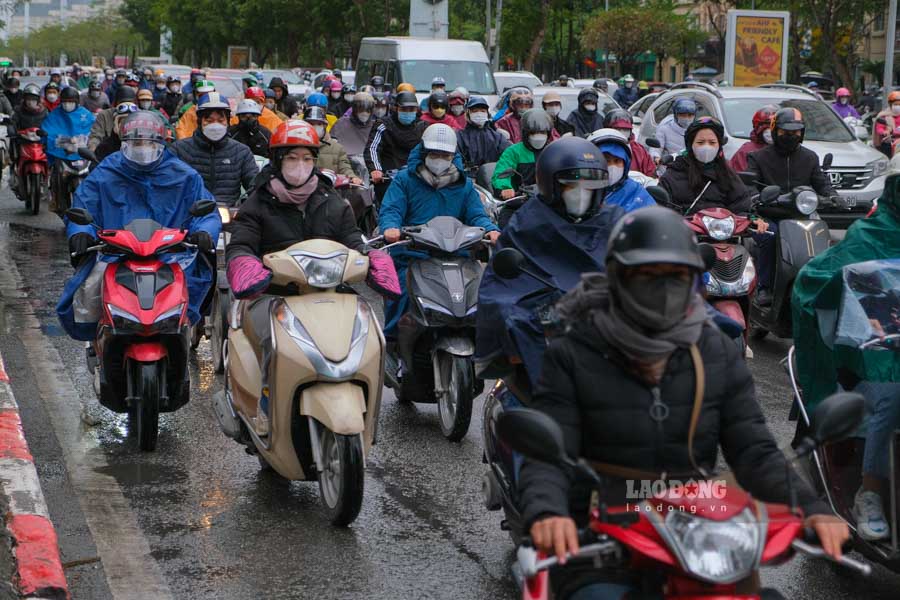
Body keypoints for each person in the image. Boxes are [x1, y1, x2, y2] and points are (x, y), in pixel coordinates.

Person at [519, 206, 849, 599]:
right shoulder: (574, 350)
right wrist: (548, 512)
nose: (662, 290)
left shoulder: (715, 349)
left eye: (676, 277)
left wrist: (813, 509)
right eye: (647, 276)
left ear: (693, 280)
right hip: (596, 530)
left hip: (694, 526)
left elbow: (754, 451)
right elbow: (549, 451)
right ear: (618, 278)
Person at [225, 120, 381, 435]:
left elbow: (353, 238)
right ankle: (266, 407)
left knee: (368, 331)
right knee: (273, 339)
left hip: (330, 291)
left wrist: (372, 259)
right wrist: (245, 264)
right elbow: (241, 243)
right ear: (278, 161)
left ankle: (370, 413)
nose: (300, 166)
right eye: (292, 158)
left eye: (307, 158)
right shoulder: (258, 202)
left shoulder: (331, 200)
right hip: (272, 293)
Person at [792, 172, 900, 542]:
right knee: (891, 395)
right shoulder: (869, 235)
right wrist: (846, 289)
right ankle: (869, 492)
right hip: (874, 358)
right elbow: (814, 278)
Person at [59, 110, 221, 345]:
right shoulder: (105, 173)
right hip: (115, 257)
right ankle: (98, 342)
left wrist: (205, 232)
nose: (142, 148)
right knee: (88, 298)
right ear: (123, 143)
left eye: (148, 143)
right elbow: (83, 208)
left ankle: (182, 341)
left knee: (192, 292)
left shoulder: (184, 175)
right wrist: (81, 233)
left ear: (162, 144)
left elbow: (207, 212)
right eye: (136, 143)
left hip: (171, 257)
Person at [476, 137, 623, 390]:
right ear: (550, 184)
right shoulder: (529, 220)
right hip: (548, 316)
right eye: (571, 186)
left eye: (589, 187)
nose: (581, 193)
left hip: (602, 316)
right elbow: (505, 282)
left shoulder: (614, 219)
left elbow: (636, 263)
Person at [379, 123, 500, 340]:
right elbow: (392, 209)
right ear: (424, 151)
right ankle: (394, 345)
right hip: (413, 255)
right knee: (402, 293)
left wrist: (490, 230)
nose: (439, 158)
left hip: (457, 255)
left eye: (445, 155)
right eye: (434, 153)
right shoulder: (405, 179)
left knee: (482, 296)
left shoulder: (464, 185)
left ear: (453, 156)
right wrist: (391, 228)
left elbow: (477, 215)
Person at [747, 108, 838, 305]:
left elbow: (822, 183)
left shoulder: (810, 157)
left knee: (823, 237)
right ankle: (765, 286)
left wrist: (832, 196)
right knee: (770, 236)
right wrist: (758, 197)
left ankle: (820, 283)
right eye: (785, 132)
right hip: (768, 216)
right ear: (774, 131)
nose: (791, 136)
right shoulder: (758, 158)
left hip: (802, 217)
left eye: (796, 132)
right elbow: (749, 188)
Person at [172, 92, 259, 205]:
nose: (215, 125)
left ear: (227, 122)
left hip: (230, 214)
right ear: (199, 121)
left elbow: (254, 184)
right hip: (189, 213)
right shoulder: (180, 150)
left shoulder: (241, 152)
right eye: (209, 120)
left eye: (220, 120)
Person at [659, 116, 752, 218]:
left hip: (722, 231)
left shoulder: (727, 174)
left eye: (712, 143)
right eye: (700, 142)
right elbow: (661, 211)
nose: (706, 147)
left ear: (719, 146)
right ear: (690, 145)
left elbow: (742, 208)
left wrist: (752, 219)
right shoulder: (672, 175)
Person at [492, 109, 556, 227]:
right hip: (519, 203)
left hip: (549, 203)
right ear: (525, 133)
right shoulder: (513, 151)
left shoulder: (554, 151)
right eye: (533, 133)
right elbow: (501, 173)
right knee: (505, 230)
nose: (538, 137)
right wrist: (505, 188)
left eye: (542, 133)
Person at [365, 90, 425, 202]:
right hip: (388, 179)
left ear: (417, 110)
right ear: (396, 108)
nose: (408, 112)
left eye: (411, 109)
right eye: (404, 109)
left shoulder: (423, 127)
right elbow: (373, 148)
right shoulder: (383, 125)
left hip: (417, 178)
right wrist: (375, 169)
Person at [44, 87, 96, 212]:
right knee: (57, 177)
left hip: (81, 153)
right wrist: (55, 140)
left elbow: (94, 129)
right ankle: (56, 199)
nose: (67, 104)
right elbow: (47, 131)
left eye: (71, 101)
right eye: (65, 101)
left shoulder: (85, 114)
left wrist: (88, 140)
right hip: (61, 154)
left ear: (77, 102)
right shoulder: (55, 114)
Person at [587, 128, 655, 212]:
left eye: (617, 161)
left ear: (626, 163)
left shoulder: (636, 193)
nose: (612, 166)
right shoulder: (581, 187)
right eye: (606, 160)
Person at [8, 84, 48, 190]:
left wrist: (48, 132)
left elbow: (50, 124)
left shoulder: (44, 111)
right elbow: (12, 122)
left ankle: (51, 180)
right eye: (28, 99)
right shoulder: (18, 110)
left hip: (40, 141)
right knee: (13, 151)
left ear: (38, 100)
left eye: (33, 99)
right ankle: (14, 173)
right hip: (23, 140)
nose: (30, 102)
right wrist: (12, 130)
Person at [456, 95, 510, 170]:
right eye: (474, 111)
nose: (479, 114)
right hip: (469, 177)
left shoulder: (498, 137)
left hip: (493, 176)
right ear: (468, 114)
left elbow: (508, 157)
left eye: (482, 111)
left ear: (487, 114)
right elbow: (456, 160)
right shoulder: (460, 137)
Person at [305, 105, 357, 182]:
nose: (315, 127)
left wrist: (352, 177)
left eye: (319, 124)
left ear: (325, 126)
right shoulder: (297, 147)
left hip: (330, 191)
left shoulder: (337, 148)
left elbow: (345, 167)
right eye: (311, 124)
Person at [602, 108, 655, 177]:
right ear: (608, 129)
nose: (622, 133)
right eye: (618, 129)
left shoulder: (639, 150)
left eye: (625, 130)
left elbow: (651, 173)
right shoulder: (600, 149)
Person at [728, 105, 776, 173]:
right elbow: (739, 178)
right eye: (766, 127)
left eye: (774, 128)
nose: (771, 132)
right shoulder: (746, 151)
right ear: (757, 128)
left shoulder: (787, 149)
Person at [88, 85, 137, 151]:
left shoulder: (139, 115)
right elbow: (96, 135)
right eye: (122, 103)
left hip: (133, 152)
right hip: (108, 153)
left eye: (130, 103)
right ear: (116, 103)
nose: (126, 106)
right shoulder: (104, 115)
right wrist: (92, 148)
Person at [329, 92, 377, 157]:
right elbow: (331, 147)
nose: (364, 113)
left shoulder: (376, 127)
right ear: (354, 109)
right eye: (361, 109)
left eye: (368, 110)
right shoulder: (341, 123)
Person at [874, 91, 900, 157]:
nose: (898, 106)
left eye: (899, 104)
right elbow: (879, 128)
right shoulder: (884, 115)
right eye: (896, 104)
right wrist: (884, 132)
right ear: (890, 105)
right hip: (890, 140)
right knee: (886, 148)